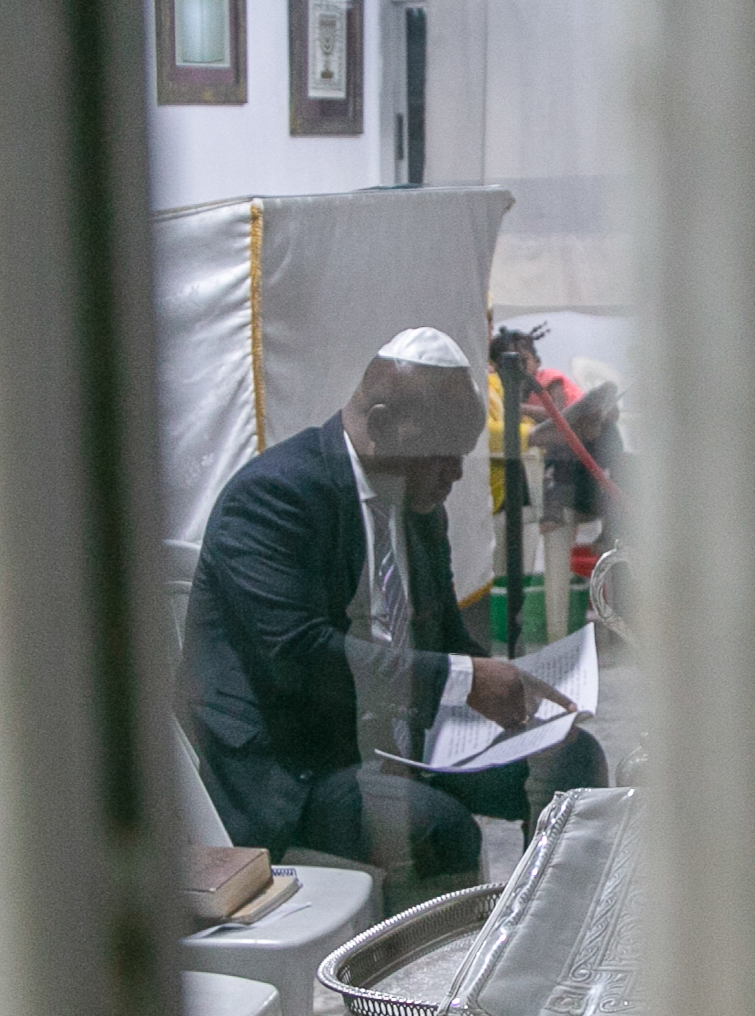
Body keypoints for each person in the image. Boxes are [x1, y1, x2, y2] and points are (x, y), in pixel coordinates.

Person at [181, 328, 608, 885]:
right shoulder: (274, 496)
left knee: (573, 759)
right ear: (381, 428)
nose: (456, 476)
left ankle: (543, 935)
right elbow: (298, 657)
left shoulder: (415, 499)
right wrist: (464, 679)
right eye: (442, 457)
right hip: (303, 760)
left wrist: (524, 692)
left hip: (406, 738)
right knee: (435, 828)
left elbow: (449, 640)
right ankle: (440, 971)